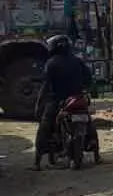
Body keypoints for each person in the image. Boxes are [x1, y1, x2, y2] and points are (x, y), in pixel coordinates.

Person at [33, 35, 93, 170]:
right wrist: (85, 91)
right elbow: (89, 79)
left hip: (57, 101)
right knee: (89, 122)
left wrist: (38, 104)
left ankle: (37, 161)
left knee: (45, 126)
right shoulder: (77, 61)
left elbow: (45, 86)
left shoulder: (51, 63)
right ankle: (96, 153)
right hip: (77, 99)